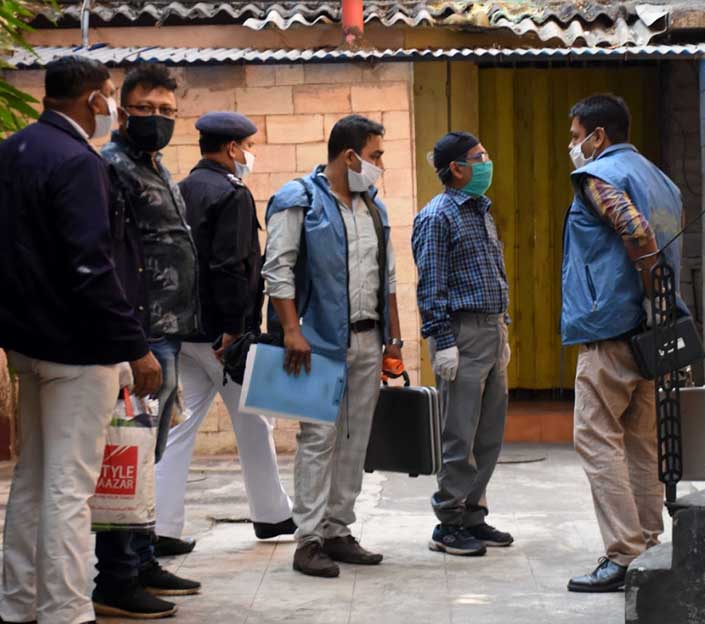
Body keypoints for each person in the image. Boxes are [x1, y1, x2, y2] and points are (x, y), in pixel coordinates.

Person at [0, 56, 162, 624]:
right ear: (94, 99)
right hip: (79, 347)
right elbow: (92, 266)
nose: (112, 107)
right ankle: (66, 610)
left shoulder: (13, 150)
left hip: (27, 343)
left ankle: (18, 602)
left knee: (34, 479)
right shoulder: (77, 161)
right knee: (70, 487)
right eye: (110, 96)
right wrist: (134, 346)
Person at [263, 114, 404, 578]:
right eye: (375, 155)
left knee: (354, 438)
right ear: (350, 156)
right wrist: (291, 330)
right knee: (318, 438)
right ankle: (308, 540)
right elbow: (278, 269)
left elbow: (387, 278)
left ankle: (337, 530)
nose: (380, 164)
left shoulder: (374, 207)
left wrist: (393, 340)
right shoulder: (298, 200)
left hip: (368, 338)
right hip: (317, 342)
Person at [154, 111, 295, 549]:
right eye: (248, 146)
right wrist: (235, 329)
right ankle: (271, 517)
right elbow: (229, 266)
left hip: (185, 333)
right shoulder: (231, 194)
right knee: (254, 422)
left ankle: (160, 527)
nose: (251, 154)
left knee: (180, 429)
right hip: (223, 337)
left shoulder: (180, 189)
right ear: (232, 148)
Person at [561, 94, 684, 593]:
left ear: (599, 135)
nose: (573, 146)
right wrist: (661, 305)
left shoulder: (599, 176)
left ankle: (624, 554)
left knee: (595, 437)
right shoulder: (661, 179)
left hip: (610, 327)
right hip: (652, 332)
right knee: (640, 442)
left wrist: (651, 290)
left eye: (576, 136)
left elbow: (635, 231)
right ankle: (648, 546)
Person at [93, 63, 202, 619]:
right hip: (140, 334)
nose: (158, 119)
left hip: (168, 330)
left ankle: (141, 560)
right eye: (146, 109)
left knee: (147, 454)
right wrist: (132, 342)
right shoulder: (112, 168)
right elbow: (111, 255)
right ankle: (115, 579)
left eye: (167, 111)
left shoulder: (156, 166)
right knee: (127, 455)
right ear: (123, 112)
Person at [411, 131, 513, 557]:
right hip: (461, 334)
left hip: (491, 330)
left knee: (488, 433)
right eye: (480, 156)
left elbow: (495, 272)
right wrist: (443, 340)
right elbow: (430, 284)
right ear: (456, 168)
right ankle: (448, 522)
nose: (487, 162)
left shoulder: (480, 211)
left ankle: (473, 513)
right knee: (459, 434)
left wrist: (503, 326)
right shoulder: (438, 216)